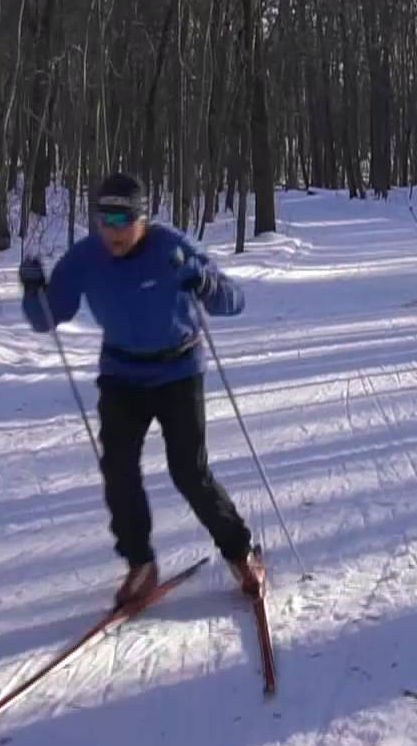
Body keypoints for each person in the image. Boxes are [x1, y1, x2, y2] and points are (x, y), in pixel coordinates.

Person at [19, 172, 265, 607]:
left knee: (189, 472)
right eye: (104, 219)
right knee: (118, 470)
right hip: (121, 375)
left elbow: (235, 301)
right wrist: (32, 290)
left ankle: (239, 551)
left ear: (142, 218)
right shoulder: (85, 258)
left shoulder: (170, 249)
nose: (112, 230)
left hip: (178, 370)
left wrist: (205, 283)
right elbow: (46, 319)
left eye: (122, 219)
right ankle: (141, 564)